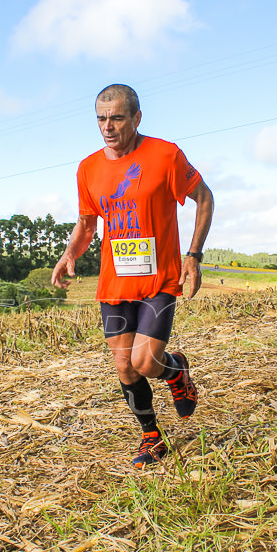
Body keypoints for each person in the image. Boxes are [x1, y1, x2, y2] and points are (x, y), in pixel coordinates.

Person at [52, 84, 214, 469]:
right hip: (115, 280)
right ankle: (151, 436)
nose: (108, 126)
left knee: (144, 362)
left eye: (117, 118)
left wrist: (193, 254)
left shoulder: (165, 155)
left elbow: (204, 198)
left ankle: (176, 371)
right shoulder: (88, 168)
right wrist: (69, 253)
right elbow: (88, 222)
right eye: (101, 119)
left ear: (137, 118)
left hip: (159, 278)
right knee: (123, 365)